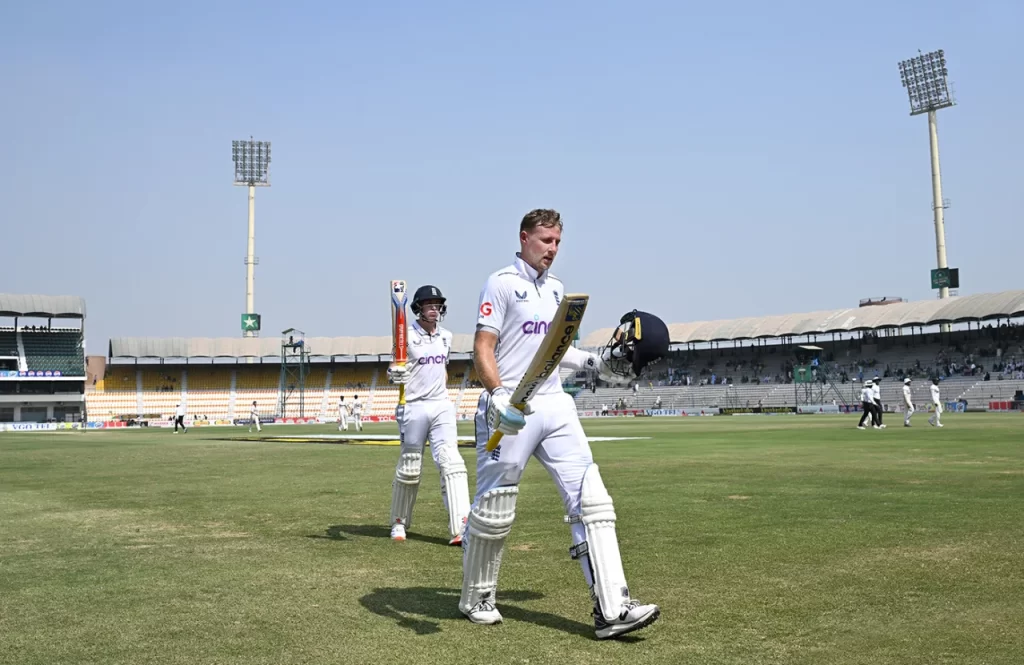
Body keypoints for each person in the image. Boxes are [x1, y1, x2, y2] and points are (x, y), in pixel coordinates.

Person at [460, 208, 666, 639]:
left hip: (555, 404)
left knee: (592, 501)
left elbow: (560, 349)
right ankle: (477, 597)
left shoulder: (557, 292)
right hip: (514, 407)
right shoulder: (501, 284)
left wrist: (597, 362)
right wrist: (498, 396)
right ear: (524, 238)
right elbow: (483, 346)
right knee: (495, 509)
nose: (553, 250)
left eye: (557, 242)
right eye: (546, 241)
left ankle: (612, 609)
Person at [386, 285, 470, 545]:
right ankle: (399, 523)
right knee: (410, 466)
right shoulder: (406, 337)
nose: (435, 309)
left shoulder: (446, 336)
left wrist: (443, 392)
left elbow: (442, 369)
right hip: (413, 404)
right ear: (418, 308)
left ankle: (461, 527)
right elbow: (393, 368)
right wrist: (393, 374)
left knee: (451, 463)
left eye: (438, 304)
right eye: (429, 304)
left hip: (441, 404)